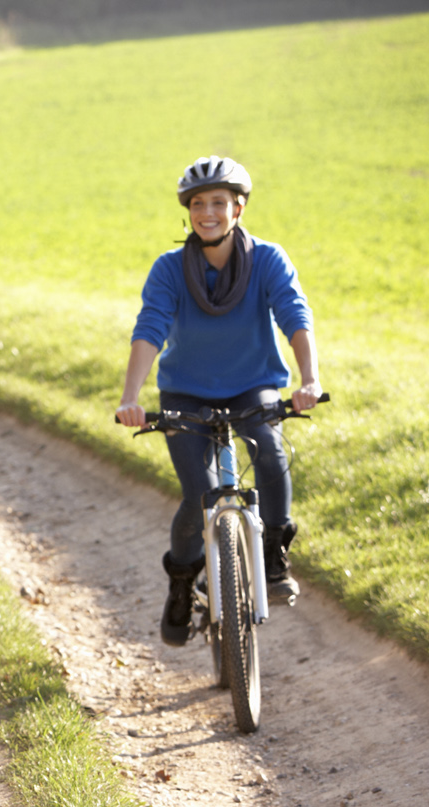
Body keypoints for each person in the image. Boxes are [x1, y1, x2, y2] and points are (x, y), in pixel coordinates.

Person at [115, 155, 322, 646]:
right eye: (198, 204)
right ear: (188, 211)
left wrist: (309, 379)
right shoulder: (169, 269)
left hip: (254, 384)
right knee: (197, 494)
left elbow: (294, 314)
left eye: (219, 203)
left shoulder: (269, 259)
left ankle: (272, 553)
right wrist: (130, 397)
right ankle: (184, 585)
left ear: (239, 209)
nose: (208, 212)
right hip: (186, 392)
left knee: (270, 453)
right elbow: (151, 329)